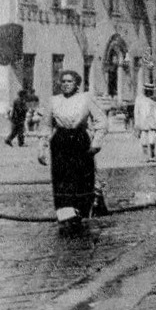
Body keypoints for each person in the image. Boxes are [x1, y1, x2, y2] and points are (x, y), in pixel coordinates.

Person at [39, 70, 107, 230]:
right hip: (60, 141)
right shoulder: (54, 101)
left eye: (69, 81)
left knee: (82, 176)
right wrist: (41, 148)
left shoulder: (86, 99)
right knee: (61, 178)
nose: (66, 84)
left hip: (80, 140)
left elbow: (101, 121)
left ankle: (82, 213)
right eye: (63, 81)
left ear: (77, 84)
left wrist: (96, 143)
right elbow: (46, 125)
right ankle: (65, 215)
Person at [133, 84, 156, 162]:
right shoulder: (139, 99)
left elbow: (155, 112)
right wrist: (137, 123)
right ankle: (145, 156)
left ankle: (152, 156)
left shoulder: (153, 101)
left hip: (151, 121)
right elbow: (136, 112)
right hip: (143, 122)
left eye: (150, 91)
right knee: (143, 139)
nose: (149, 92)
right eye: (147, 91)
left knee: (152, 139)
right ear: (145, 90)